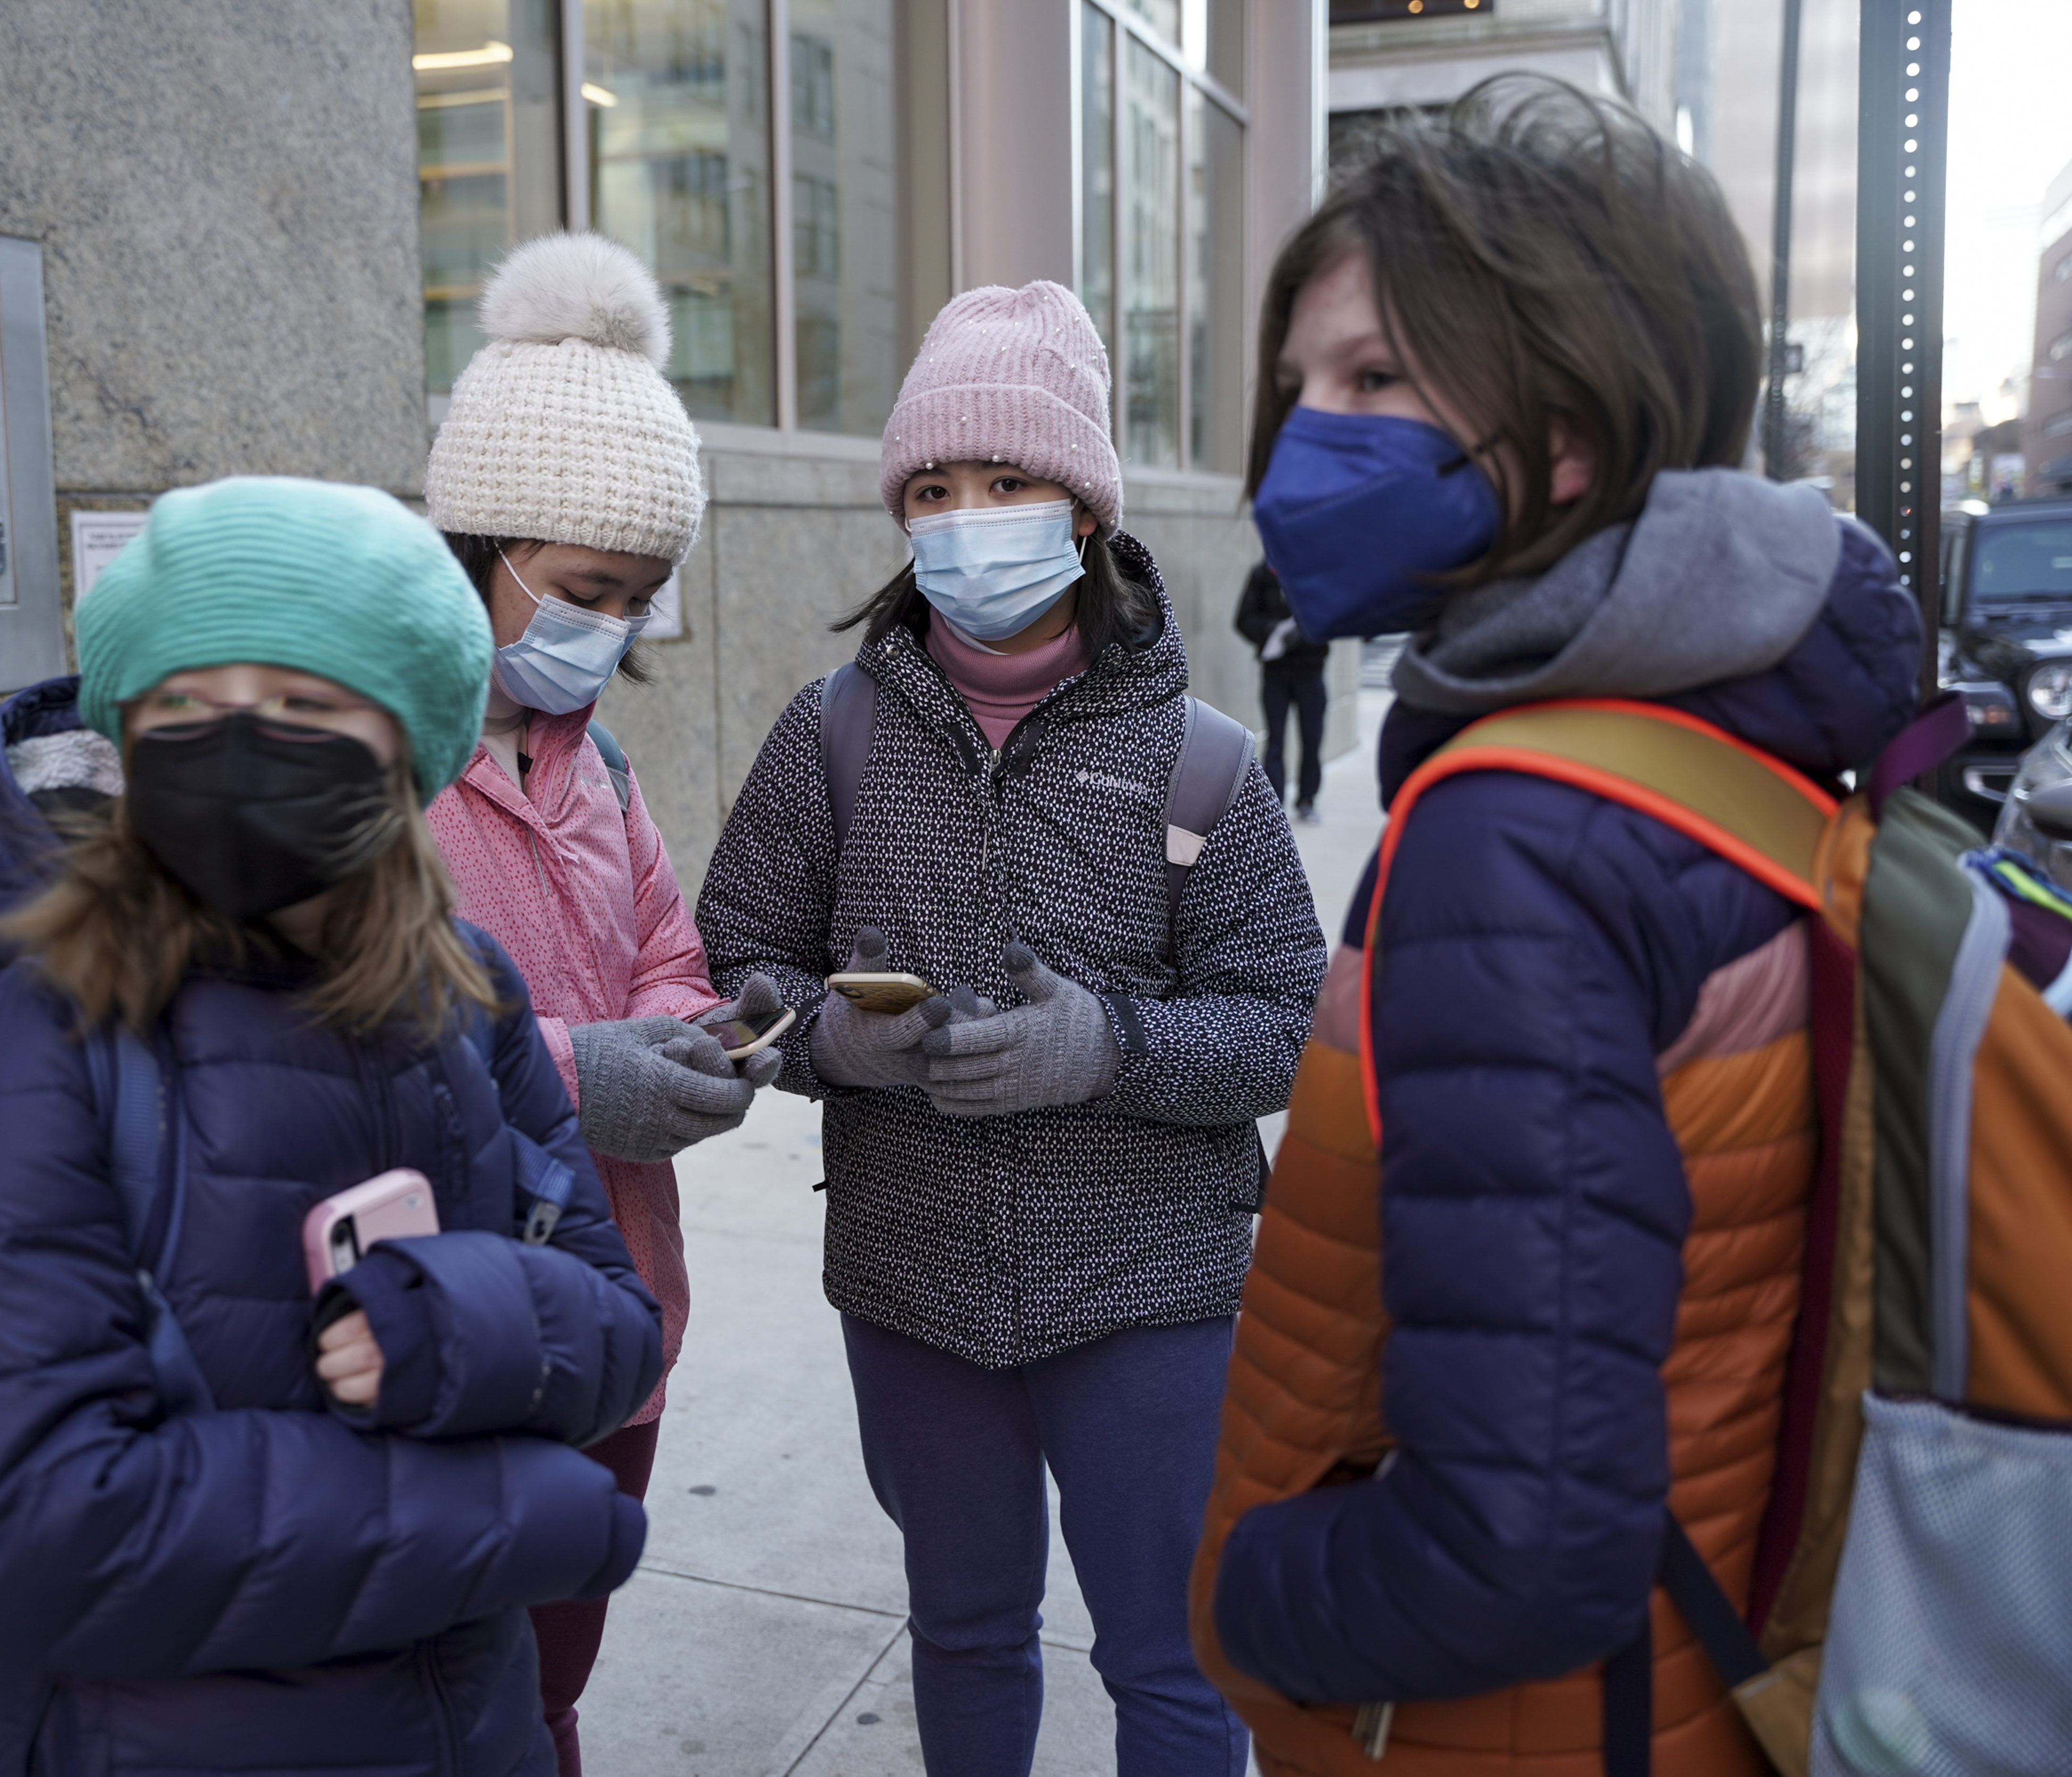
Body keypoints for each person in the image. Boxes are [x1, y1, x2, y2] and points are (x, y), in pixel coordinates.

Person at [1188, 79, 1918, 1773]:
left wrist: (1246, 1593)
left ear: (1570, 432)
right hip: (1697, 1659)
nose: (1305, 440)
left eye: (1373, 380)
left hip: (1515, 1727)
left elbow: (1512, 1538)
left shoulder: (1514, 836)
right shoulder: (1741, 732)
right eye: (1297, 385)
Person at [0, 476, 666, 1777]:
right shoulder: (43, 1043)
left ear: (406, 747)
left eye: (303, 706)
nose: (239, 747)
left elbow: (615, 1326)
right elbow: (12, 1533)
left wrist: (457, 1321)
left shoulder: (466, 1001)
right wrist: (502, 1512)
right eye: (185, 708)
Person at [696, 279, 1326, 1776]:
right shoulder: (830, 732)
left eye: (1008, 479)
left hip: (1151, 1291)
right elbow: (736, 959)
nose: (968, 516)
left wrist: (1109, 1044)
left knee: (1170, 1656)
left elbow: (1289, 1020)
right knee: (964, 1626)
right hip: (912, 1286)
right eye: (933, 487)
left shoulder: (1201, 756)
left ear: (1086, 508)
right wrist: (821, 1044)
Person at [421, 230, 780, 1774]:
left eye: (636, 599)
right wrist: (581, 1072)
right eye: (582, 589)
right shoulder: (367, 776)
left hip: (619, 1299)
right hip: (455, 1320)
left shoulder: (599, 763)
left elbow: (663, 951)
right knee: (454, 1682)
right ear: (478, 551)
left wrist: (698, 1034)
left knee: (558, 1673)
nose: (607, 628)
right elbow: (354, 1035)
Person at [1232, 559, 1328, 822]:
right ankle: (1275, 802)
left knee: (1312, 737)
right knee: (1275, 739)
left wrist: (1306, 636)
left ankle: (1307, 799)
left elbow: (1330, 615)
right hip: (1276, 672)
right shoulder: (1262, 575)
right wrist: (1271, 629)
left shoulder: (1314, 572)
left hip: (1311, 671)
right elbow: (1243, 620)